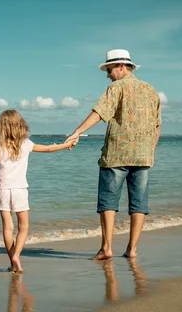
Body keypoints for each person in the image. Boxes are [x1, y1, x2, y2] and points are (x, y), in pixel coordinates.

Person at [65, 49, 161, 260]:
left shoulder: (116, 87)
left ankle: (106, 248)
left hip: (117, 154)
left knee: (108, 202)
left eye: (108, 69)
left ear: (120, 66)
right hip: (144, 156)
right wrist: (150, 152)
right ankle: (132, 250)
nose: (107, 75)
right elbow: (157, 126)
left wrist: (77, 132)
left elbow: (99, 113)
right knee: (139, 204)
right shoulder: (151, 90)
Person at [0, 109, 71, 273]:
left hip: (2, 190)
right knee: (23, 227)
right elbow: (49, 148)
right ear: (21, 126)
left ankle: (13, 259)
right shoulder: (27, 144)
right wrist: (66, 145)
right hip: (20, 190)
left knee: (8, 228)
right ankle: (17, 256)